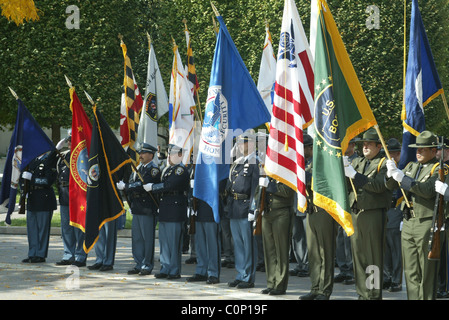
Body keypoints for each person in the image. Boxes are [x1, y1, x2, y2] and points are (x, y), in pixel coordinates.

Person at [387, 130, 447, 300]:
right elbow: (392, 185)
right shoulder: (411, 166)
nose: (418, 152)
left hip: (427, 222)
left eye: (423, 149)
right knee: (411, 272)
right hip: (408, 222)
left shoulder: (440, 169)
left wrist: (403, 178)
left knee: (427, 272)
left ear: (434, 151)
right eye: (417, 149)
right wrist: (390, 172)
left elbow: (427, 190)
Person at [344, 128, 392, 300]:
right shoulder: (358, 162)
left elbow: (379, 186)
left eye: (369, 144)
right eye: (363, 144)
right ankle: (362, 293)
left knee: (373, 257)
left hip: (373, 214)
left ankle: (373, 294)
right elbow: (348, 186)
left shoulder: (384, 164)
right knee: (359, 256)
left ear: (379, 146)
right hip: (357, 213)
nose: (365, 147)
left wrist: (355, 176)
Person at [300, 134, 338, 300]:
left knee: (325, 252)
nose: (301, 151)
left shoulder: (322, 161)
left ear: (310, 147)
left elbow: (323, 182)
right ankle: (315, 288)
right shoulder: (306, 164)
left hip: (324, 211)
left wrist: (303, 177)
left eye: (303, 147)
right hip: (311, 211)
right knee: (314, 253)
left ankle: (325, 290)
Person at [116, 143, 160, 275]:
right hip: (137, 207)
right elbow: (132, 182)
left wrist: (126, 187)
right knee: (137, 238)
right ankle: (138, 263)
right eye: (140, 153)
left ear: (151, 155)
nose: (140, 155)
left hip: (147, 208)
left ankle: (147, 264)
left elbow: (143, 184)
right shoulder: (138, 168)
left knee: (147, 238)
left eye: (143, 153)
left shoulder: (153, 170)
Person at [149, 144, 190, 279]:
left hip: (175, 209)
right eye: (168, 154)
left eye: (172, 154)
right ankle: (165, 267)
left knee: (173, 242)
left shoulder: (181, 170)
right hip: (166, 207)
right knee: (164, 241)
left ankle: (174, 270)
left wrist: (153, 187)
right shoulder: (167, 170)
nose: (169, 157)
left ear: (180, 155)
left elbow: (170, 185)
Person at [227, 131, 260, 289]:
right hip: (235, 207)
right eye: (239, 143)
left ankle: (248, 277)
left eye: (243, 142)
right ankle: (240, 274)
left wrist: (253, 209)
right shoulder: (237, 163)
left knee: (248, 245)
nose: (240, 145)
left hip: (246, 206)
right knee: (238, 245)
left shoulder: (255, 163)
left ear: (252, 144)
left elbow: (255, 189)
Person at [256, 175, 295, 296]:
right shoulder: (268, 173)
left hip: (281, 212)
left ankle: (280, 285)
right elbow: (259, 192)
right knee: (269, 251)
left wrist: (270, 185)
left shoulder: (287, 170)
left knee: (281, 251)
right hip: (267, 213)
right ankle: (271, 283)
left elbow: (288, 192)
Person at [21, 149, 58, 263]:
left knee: (42, 229)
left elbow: (48, 180)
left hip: (44, 198)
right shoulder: (32, 161)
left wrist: (32, 179)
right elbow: (24, 178)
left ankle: (40, 254)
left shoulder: (49, 160)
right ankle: (32, 253)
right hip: (32, 197)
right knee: (32, 229)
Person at [55, 136, 87, 267]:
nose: (69, 143)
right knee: (66, 228)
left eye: (71, 140)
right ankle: (68, 255)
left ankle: (80, 256)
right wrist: (56, 149)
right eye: (68, 141)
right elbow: (50, 163)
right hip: (64, 194)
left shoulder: (82, 156)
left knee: (78, 228)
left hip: (77, 195)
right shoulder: (63, 156)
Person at [186, 181, 226, 284]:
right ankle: (201, 271)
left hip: (211, 207)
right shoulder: (198, 167)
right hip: (198, 208)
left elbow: (221, 185)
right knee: (200, 244)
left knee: (212, 244)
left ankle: (213, 273)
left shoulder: (215, 165)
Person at [334, 138, 357, 285]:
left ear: (353, 145)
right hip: (340, 203)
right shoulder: (337, 159)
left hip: (351, 202)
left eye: (346, 142)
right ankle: (343, 269)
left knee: (349, 239)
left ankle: (351, 270)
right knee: (340, 239)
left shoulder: (357, 161)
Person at [383, 138, 403, 292]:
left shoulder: (403, 168)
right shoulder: (385, 166)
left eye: (394, 153)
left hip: (395, 209)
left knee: (395, 248)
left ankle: (396, 280)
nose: (391, 156)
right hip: (383, 209)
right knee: (384, 247)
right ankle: (386, 277)